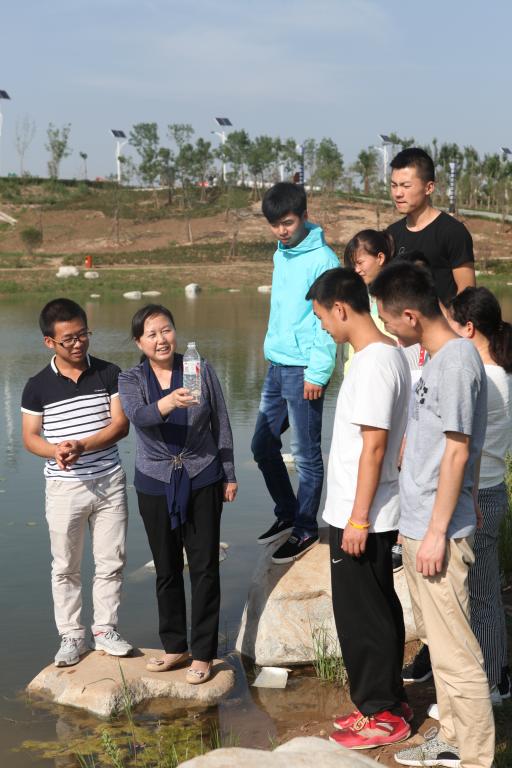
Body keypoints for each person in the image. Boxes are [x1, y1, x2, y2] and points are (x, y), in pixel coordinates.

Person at [370, 263, 494, 768]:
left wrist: (440, 530)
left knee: (457, 654)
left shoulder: (458, 362)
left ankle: (478, 757)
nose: (386, 329)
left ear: (411, 316)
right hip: (422, 525)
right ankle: (452, 739)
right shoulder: (439, 358)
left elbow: (459, 450)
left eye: (387, 319)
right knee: (439, 648)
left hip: (436, 533)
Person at [306, 268, 412, 750]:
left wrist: (357, 518)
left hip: (363, 513)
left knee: (361, 617)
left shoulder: (372, 364)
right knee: (379, 606)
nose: (323, 327)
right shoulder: (391, 354)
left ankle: (381, 714)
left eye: (322, 317)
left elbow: (374, 446)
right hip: (372, 508)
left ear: (341, 309)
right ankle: (387, 701)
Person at [118, 305, 237, 684]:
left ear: (175, 331)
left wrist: (229, 474)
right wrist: (169, 402)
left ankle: (203, 653)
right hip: (155, 481)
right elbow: (138, 416)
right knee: (166, 568)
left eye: (166, 330)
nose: (161, 339)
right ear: (139, 342)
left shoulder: (198, 368)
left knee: (205, 568)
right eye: (151, 334)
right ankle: (174, 647)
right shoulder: (131, 378)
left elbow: (220, 422)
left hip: (203, 475)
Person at [21, 298, 132, 667]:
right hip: (64, 487)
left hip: (109, 481)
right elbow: (30, 437)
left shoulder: (109, 373)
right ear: (49, 342)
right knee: (65, 565)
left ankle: (105, 629)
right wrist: (55, 450)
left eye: (83, 334)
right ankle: (71, 636)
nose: (78, 343)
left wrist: (82, 445)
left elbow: (120, 425)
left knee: (111, 560)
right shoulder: (36, 386)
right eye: (68, 338)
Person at [251, 182, 339, 563]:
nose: (281, 230)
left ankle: (305, 528)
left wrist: (318, 372)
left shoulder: (324, 260)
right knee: (262, 445)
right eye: (275, 224)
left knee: (305, 454)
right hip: (277, 365)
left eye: (287, 223)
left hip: (304, 368)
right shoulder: (281, 253)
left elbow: (329, 321)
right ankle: (287, 512)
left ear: (304, 215)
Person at [446, 287, 511, 703]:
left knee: (480, 597)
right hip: (493, 488)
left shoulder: (483, 379)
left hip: (478, 495)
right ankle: (497, 675)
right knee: (485, 594)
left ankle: (489, 683)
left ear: (468, 328)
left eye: (452, 323)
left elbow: (461, 445)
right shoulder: (503, 372)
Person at [387, 147, 475, 306]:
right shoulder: (392, 234)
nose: (398, 193)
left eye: (406, 186)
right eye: (394, 185)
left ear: (429, 188)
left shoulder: (452, 232)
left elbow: (467, 292)